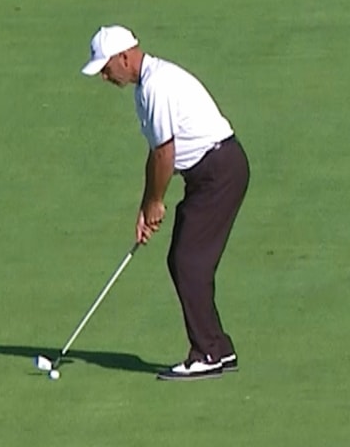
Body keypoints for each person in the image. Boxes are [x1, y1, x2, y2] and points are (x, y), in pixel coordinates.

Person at [81, 25, 250, 381]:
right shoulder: (145, 88)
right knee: (187, 261)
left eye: (106, 68)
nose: (105, 77)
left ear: (124, 57)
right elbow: (154, 153)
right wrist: (146, 206)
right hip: (212, 173)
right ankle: (217, 347)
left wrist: (158, 201)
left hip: (219, 172)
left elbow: (164, 154)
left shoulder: (157, 85)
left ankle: (206, 353)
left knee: (188, 261)